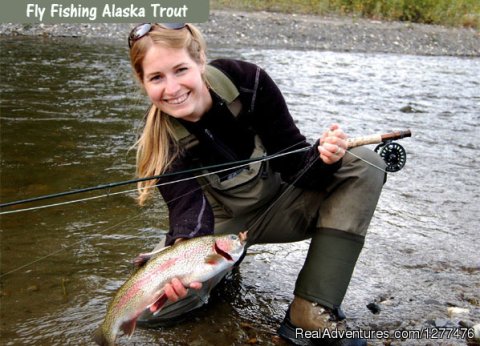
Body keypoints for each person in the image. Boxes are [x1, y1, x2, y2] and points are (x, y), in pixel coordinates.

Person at [128, 22, 386, 345]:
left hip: (282, 205)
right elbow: (189, 217)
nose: (172, 88)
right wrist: (181, 263)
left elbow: (295, 164)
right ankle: (219, 277)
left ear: (201, 60)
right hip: (217, 229)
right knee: (149, 312)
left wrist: (324, 158)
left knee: (365, 163)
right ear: (143, 82)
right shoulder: (160, 142)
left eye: (181, 69)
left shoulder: (249, 82)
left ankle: (310, 307)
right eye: (156, 78)